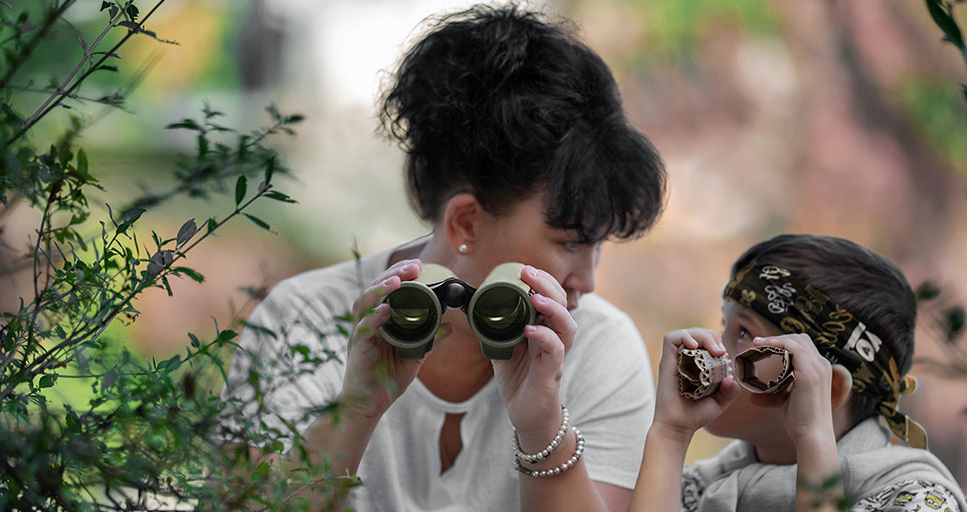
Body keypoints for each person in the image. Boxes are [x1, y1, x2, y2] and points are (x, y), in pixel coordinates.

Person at [220, 4, 667, 511]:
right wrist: (358, 408)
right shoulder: (304, 318)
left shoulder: (601, 348)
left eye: (598, 245)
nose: (585, 280)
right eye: (569, 242)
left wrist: (543, 426)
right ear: (466, 223)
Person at [630, 234, 967, 512]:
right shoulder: (700, 488)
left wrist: (813, 439)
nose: (713, 349)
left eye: (744, 334)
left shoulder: (915, 500)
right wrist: (670, 434)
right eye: (725, 326)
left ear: (829, 392)